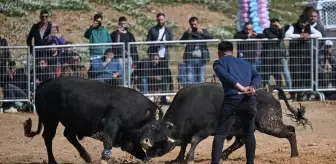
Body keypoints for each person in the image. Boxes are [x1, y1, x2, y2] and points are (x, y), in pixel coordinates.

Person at [211, 41, 262, 164]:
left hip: (232, 101)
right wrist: (252, 87)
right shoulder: (246, 63)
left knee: (220, 134)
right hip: (249, 100)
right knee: (249, 132)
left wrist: (242, 88)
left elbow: (226, 77)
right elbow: (257, 77)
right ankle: (250, 162)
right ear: (232, 52)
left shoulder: (218, 63)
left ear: (219, 53)